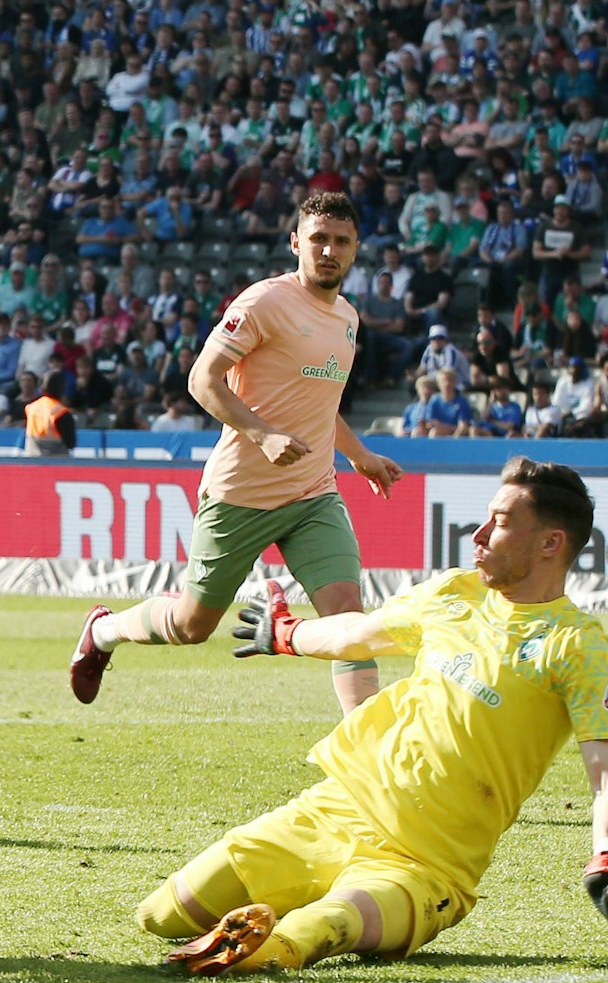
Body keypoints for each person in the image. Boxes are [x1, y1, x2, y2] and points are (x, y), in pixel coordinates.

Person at [141, 457, 608, 974]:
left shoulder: (576, 646)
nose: (480, 533)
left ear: (550, 543)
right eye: (487, 517)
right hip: (334, 811)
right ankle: (285, 899)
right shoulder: (452, 594)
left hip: (424, 866)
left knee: (319, 929)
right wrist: (287, 634)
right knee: (160, 916)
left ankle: (279, 931)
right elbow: (355, 634)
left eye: (502, 522)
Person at [70, 193, 403, 715]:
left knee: (348, 621)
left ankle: (372, 752)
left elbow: (321, 403)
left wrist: (359, 455)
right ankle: (104, 629)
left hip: (314, 494)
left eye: (340, 241)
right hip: (241, 493)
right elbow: (201, 381)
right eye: (318, 238)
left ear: (356, 249)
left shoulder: (347, 318)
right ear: (296, 243)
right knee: (191, 625)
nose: (328, 250)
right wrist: (263, 435)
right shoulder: (263, 302)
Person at [23, 369, 77, 455]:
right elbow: (71, 443)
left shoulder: (30, 407)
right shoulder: (61, 412)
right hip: (56, 463)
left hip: (32, 459)